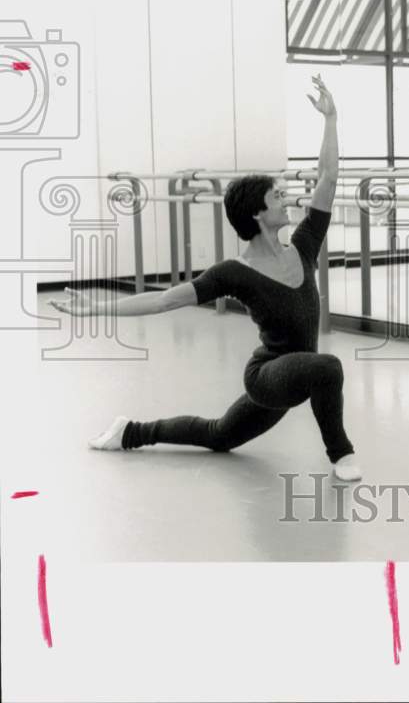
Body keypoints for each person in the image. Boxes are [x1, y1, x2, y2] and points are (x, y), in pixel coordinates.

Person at [50, 75, 362, 482]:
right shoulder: (234, 272)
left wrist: (331, 120)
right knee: (328, 367)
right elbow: (164, 300)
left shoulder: (302, 246)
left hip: (292, 377)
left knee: (220, 436)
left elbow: (328, 180)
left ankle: (129, 432)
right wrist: (97, 308)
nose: (286, 200)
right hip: (268, 377)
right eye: (277, 197)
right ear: (257, 213)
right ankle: (342, 455)